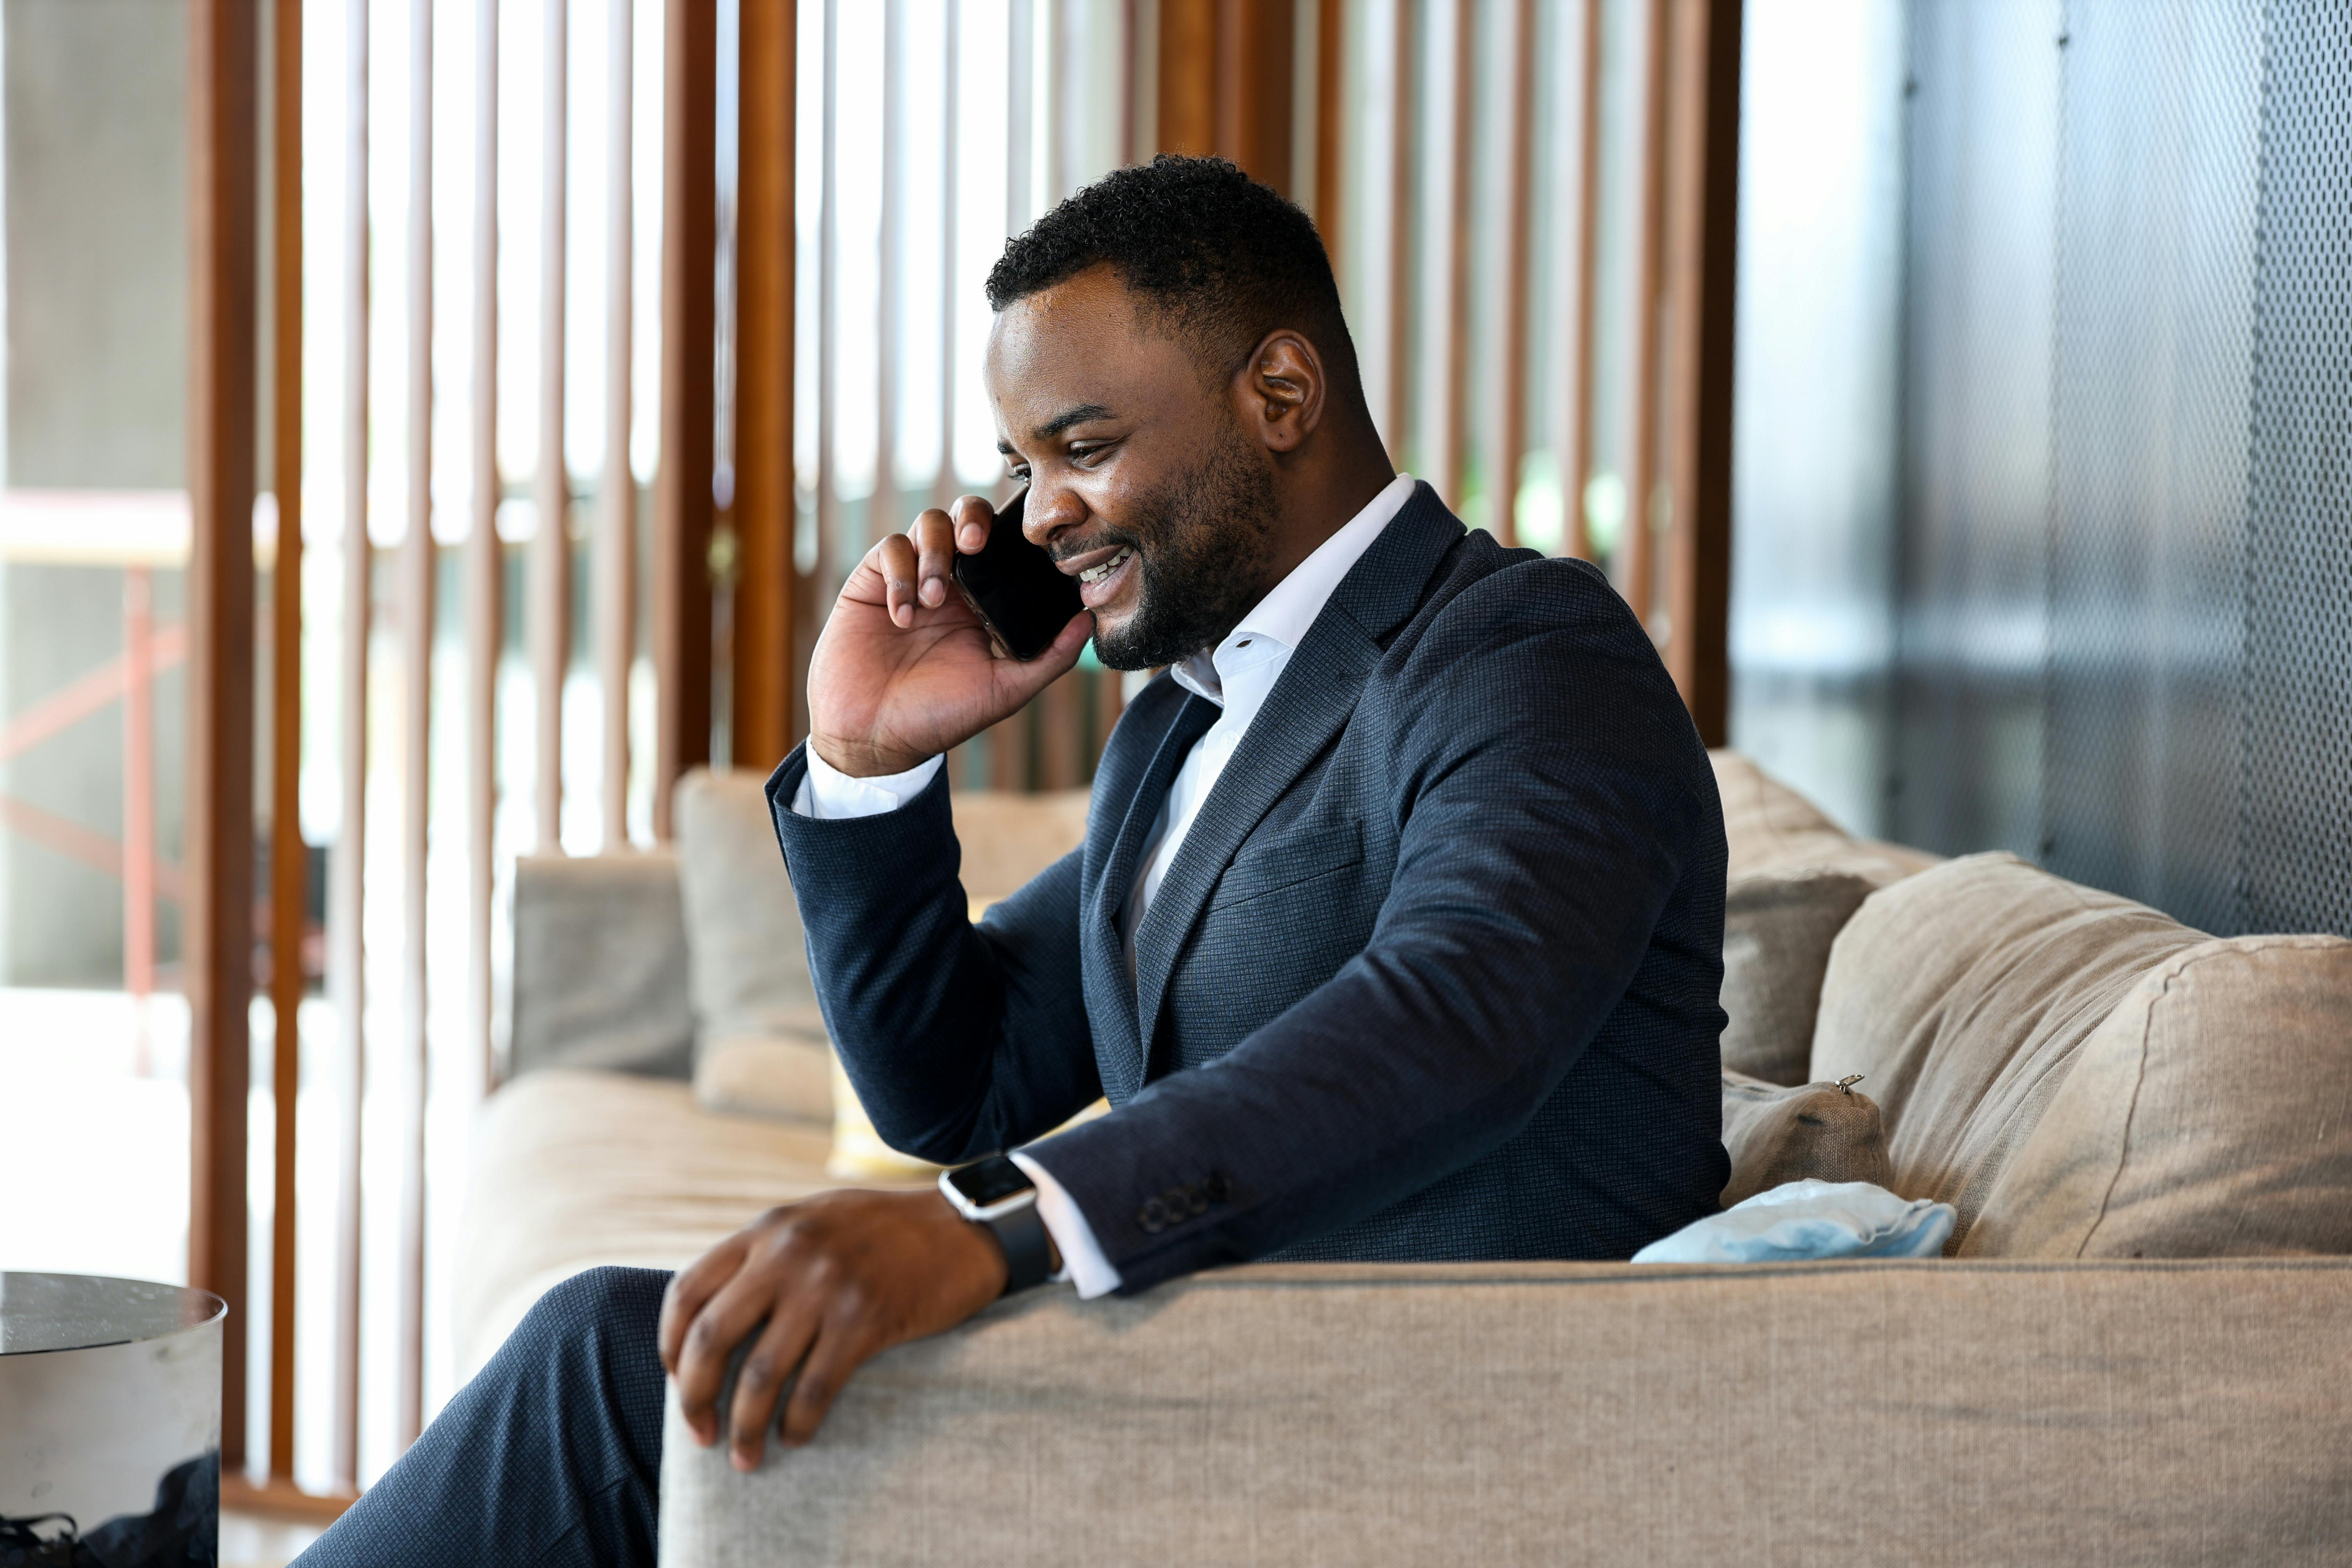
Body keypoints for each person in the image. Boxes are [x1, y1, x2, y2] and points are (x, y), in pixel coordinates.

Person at [297, 154, 1727, 1568]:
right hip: (1208, 1401)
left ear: (1278, 395)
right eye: (1020, 465)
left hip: (1417, 1443)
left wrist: (1003, 1221)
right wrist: (868, 762)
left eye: (1083, 447)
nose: (1037, 514)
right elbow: (952, 1084)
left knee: (612, 1368)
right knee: (642, 1356)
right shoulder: (1182, 725)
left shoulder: (1520, 650)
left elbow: (1459, 1015)